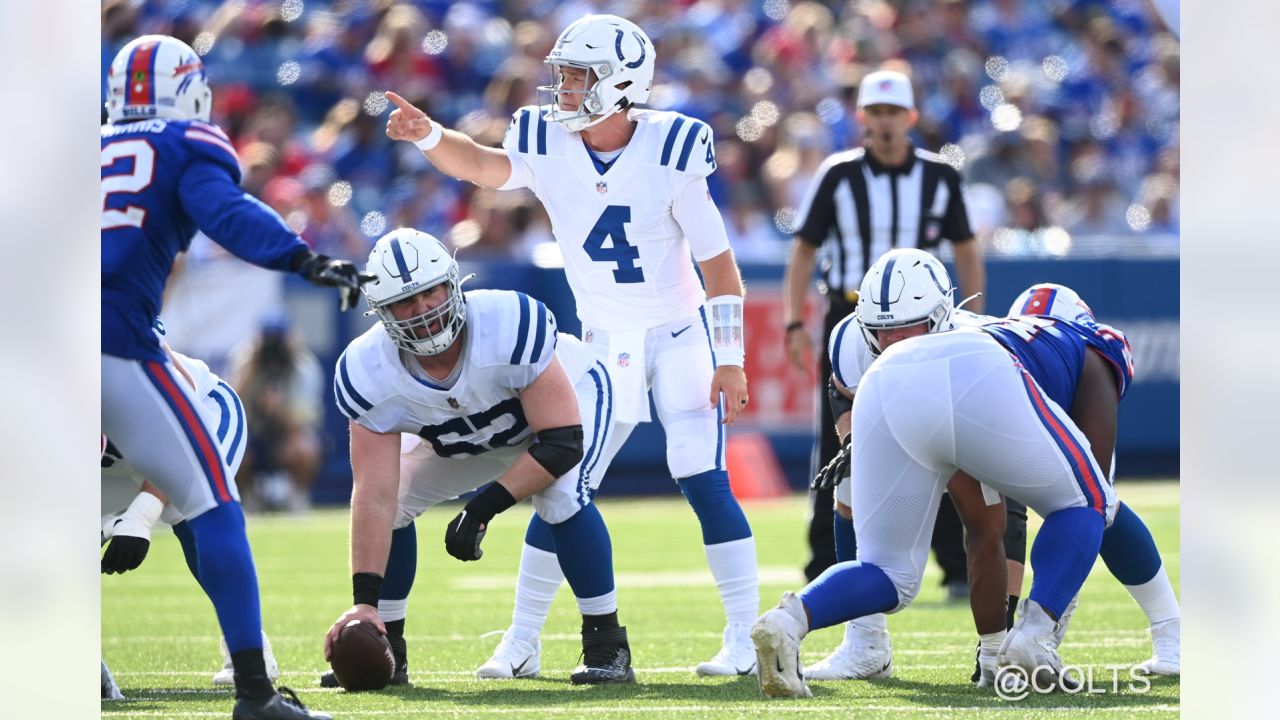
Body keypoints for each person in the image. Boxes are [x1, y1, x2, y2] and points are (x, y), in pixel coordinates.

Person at [382, 14, 760, 677]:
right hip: (604, 341)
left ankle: (742, 636)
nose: (563, 86)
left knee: (701, 475)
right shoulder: (545, 138)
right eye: (563, 73)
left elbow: (720, 269)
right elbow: (482, 166)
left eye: (579, 75)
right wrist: (430, 137)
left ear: (620, 84)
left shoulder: (671, 146)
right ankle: (523, 640)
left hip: (678, 334)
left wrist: (729, 358)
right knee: (563, 483)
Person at [102, 34, 368, 720]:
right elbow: (225, 214)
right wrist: (302, 258)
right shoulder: (186, 142)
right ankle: (254, 691)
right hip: (113, 341)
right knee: (213, 501)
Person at [753, 249, 1118, 698]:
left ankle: (790, 618)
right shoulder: (990, 335)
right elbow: (1004, 521)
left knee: (887, 572)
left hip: (884, 392)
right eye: (885, 333)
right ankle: (1033, 636)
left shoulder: (853, 338)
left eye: (907, 329)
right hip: (975, 374)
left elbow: (849, 397)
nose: (897, 341)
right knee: (1088, 501)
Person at [322, 229, 634, 686]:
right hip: (471, 438)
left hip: (567, 405)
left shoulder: (507, 322)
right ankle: (389, 642)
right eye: (406, 302)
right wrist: (363, 602)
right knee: (398, 498)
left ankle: (607, 644)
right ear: (383, 313)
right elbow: (373, 495)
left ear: (453, 283)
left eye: (430, 291)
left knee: (561, 496)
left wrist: (481, 508)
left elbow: (562, 443)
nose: (424, 308)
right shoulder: (366, 371)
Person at [783, 69, 986, 599]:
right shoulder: (839, 174)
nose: (886, 122)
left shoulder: (940, 176)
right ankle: (826, 563)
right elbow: (804, 248)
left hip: (924, 324)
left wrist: (977, 313)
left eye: (894, 113)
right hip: (850, 319)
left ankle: (956, 566)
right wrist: (794, 320)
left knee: (938, 434)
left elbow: (966, 246)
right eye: (877, 112)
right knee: (837, 438)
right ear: (863, 117)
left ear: (911, 118)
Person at [101, 338, 281, 690]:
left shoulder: (111, 332)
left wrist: (141, 515)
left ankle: (250, 655)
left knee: (198, 515)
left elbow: (179, 421)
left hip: (197, 416)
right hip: (108, 461)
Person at [230, 315, 326, 513]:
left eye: (278, 342)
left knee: (305, 449)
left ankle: (296, 496)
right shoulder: (244, 360)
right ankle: (248, 499)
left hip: (286, 436)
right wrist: (249, 370)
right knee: (231, 449)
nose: (273, 348)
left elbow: (303, 422)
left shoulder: (303, 366)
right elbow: (228, 406)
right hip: (252, 435)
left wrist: (277, 409)